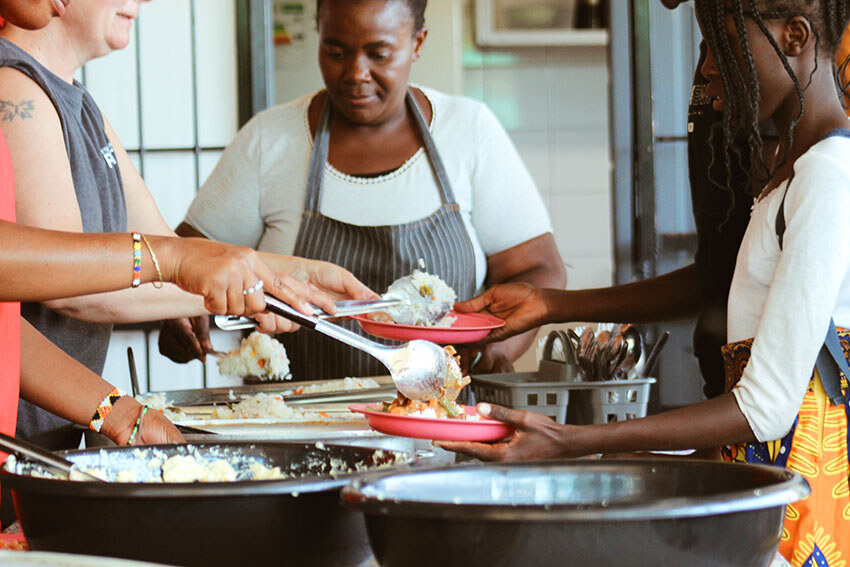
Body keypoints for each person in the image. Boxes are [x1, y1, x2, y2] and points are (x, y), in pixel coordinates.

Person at [445, 0, 850, 562]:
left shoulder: (828, 178)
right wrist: (549, 304)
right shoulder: (790, 171)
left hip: (796, 514)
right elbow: (722, 283)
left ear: (796, 36)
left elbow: (765, 410)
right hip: (758, 495)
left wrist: (572, 444)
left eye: (724, 49)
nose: (707, 70)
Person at [0, 0, 375, 451]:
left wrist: (288, 276)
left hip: (45, 434)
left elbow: (161, 247)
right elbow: (76, 287)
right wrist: (249, 286)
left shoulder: (78, 102)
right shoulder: (14, 91)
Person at [159, 0, 566, 380]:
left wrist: (497, 351)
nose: (355, 73)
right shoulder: (269, 141)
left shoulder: (468, 132)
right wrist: (178, 311)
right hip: (293, 429)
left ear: (417, 43)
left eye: (379, 54)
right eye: (336, 51)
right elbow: (183, 264)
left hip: (444, 428)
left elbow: (538, 269)